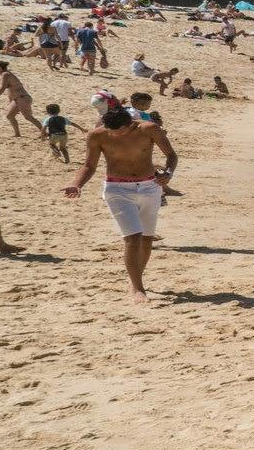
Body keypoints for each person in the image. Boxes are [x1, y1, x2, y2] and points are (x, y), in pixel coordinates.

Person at [63, 103, 179, 301]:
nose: (114, 134)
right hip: (117, 189)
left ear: (130, 125)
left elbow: (171, 155)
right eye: (111, 130)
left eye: (119, 131)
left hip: (149, 187)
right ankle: (137, 288)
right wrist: (77, 184)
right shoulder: (97, 135)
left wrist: (168, 173)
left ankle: (136, 278)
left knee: (147, 239)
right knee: (133, 237)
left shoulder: (149, 129)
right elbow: (89, 165)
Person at [0, 60, 34, 137]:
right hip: (18, 99)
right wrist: (11, 102)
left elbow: (3, 88)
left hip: (22, 98)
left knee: (28, 117)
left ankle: (44, 132)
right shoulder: (5, 74)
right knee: (10, 116)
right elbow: (10, 89)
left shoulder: (5, 74)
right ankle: (17, 134)